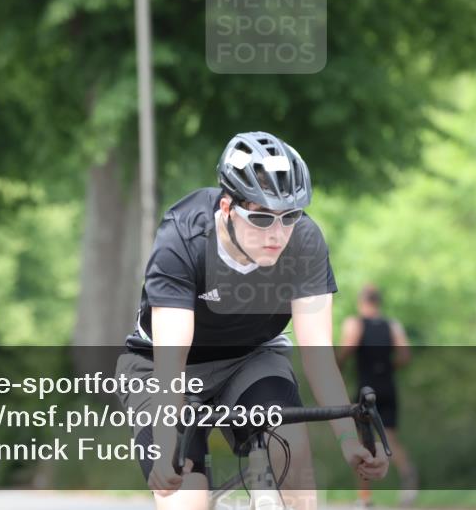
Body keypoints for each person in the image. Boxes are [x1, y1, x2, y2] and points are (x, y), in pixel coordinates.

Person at [116, 131, 388, 510]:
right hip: (164, 366)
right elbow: (171, 360)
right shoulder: (183, 236)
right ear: (227, 207)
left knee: (292, 451)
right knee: (185, 498)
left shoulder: (304, 242)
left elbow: (319, 356)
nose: (277, 235)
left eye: (289, 216)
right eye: (261, 218)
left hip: (251, 359)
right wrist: (165, 447)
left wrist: (348, 441)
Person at [338, 284, 417, 508]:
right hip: (387, 386)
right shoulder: (392, 325)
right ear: (378, 302)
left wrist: (336, 367)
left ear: (361, 302)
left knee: (363, 442)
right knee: (389, 438)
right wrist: (387, 367)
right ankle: (408, 472)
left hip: (366, 389)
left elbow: (347, 348)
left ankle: (364, 497)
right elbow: (405, 355)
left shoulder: (355, 323)